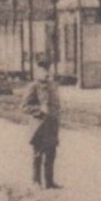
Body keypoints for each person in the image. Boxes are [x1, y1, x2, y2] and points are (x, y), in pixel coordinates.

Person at [20, 57, 62, 188]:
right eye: (42, 70)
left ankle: (49, 182)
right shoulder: (33, 87)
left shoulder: (52, 86)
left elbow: (56, 104)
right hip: (39, 126)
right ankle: (36, 181)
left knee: (51, 154)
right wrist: (39, 110)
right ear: (37, 71)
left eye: (47, 69)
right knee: (38, 154)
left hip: (52, 125)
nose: (46, 72)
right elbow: (24, 107)